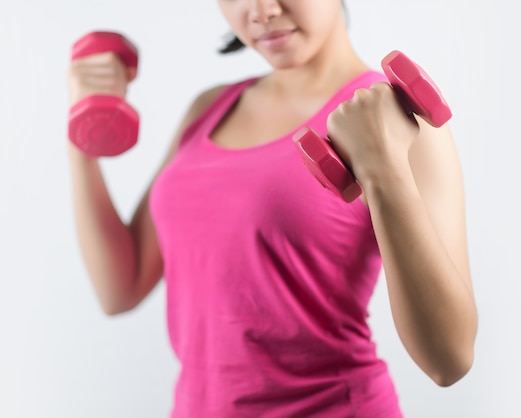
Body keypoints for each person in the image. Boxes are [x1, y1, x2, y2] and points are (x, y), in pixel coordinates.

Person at [65, 0, 478, 416]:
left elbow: (449, 362)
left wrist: (384, 171)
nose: (261, 10)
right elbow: (121, 287)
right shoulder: (207, 108)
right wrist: (81, 131)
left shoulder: (398, 118)